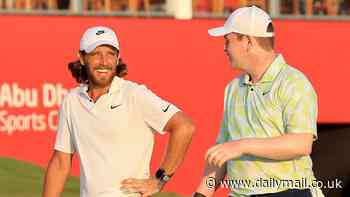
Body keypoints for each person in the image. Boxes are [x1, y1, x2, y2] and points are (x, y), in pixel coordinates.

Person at [42, 26, 195, 197]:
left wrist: (159, 180)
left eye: (110, 54)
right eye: (96, 54)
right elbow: (60, 163)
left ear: (117, 58)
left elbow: (184, 126)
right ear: (82, 58)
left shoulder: (134, 94)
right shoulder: (72, 100)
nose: (104, 61)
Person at [193, 6, 324, 197]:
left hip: (289, 192)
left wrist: (242, 145)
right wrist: (201, 194)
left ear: (247, 41)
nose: (224, 48)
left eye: (227, 41)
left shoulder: (293, 82)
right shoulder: (233, 88)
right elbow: (223, 152)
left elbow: (300, 144)